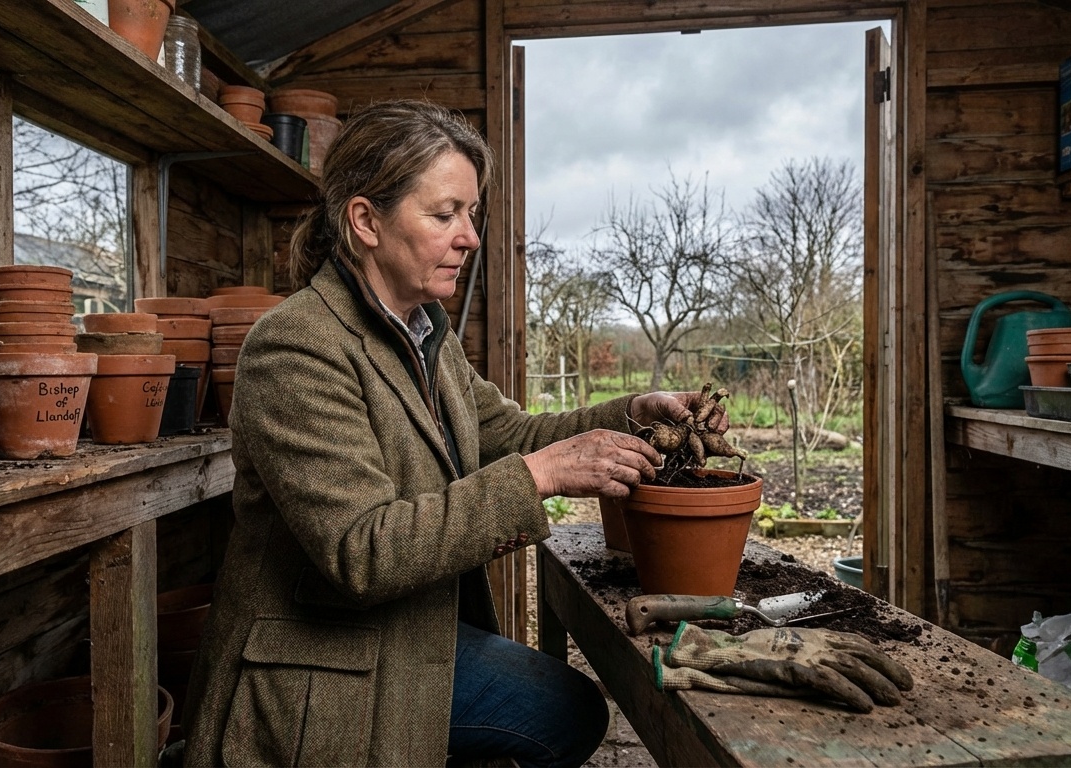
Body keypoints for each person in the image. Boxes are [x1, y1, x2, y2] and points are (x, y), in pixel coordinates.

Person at [183, 99, 712, 767]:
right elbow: (361, 550)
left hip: (405, 629)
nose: (469, 236)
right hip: (323, 660)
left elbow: (510, 431)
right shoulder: (295, 347)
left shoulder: (426, 332)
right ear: (366, 221)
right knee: (567, 713)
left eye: (470, 213)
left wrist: (633, 413)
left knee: (572, 708)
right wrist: (541, 475)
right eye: (444, 214)